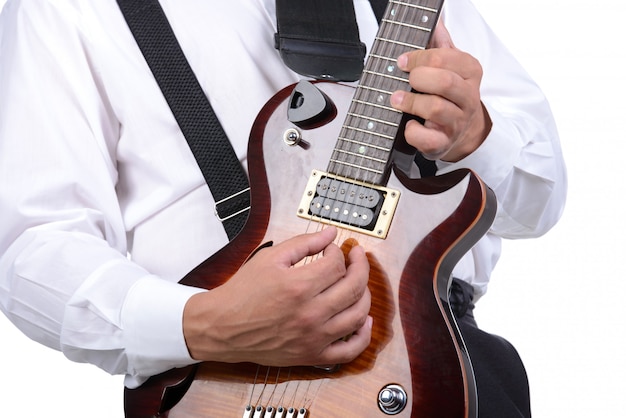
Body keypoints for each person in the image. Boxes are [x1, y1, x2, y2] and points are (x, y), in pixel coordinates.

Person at [0, 0, 566, 416]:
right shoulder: (69, 10)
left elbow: (538, 201)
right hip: (215, 384)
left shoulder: (413, 7)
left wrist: (477, 136)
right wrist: (204, 325)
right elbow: (35, 246)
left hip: (430, 358)